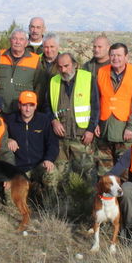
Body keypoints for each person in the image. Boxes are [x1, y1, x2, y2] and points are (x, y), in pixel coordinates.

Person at [47, 53, 100, 184]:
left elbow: (95, 107)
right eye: (60, 67)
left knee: (87, 174)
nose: (63, 70)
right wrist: (53, 121)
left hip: (82, 137)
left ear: (75, 65)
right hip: (60, 138)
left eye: (66, 66)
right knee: (60, 176)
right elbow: (47, 106)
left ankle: (88, 197)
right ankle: (62, 198)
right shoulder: (53, 81)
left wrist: (90, 130)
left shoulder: (88, 78)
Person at [94, 43, 132, 175]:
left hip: (124, 131)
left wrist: (131, 127)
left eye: (119, 55)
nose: (115, 58)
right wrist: (95, 123)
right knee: (104, 172)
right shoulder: (101, 72)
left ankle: (122, 189)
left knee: (123, 171)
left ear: (126, 57)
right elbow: (95, 100)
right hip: (104, 129)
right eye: (112, 55)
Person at [3, 91, 60, 196]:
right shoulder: (10, 120)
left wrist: (49, 159)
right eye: (24, 105)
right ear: (19, 105)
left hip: (39, 165)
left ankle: (50, 203)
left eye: (31, 105)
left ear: (36, 106)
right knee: (9, 193)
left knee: (51, 173)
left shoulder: (44, 120)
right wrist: (8, 140)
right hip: (19, 168)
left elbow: (53, 143)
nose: (28, 109)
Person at [0, 28, 40, 114]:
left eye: (21, 39)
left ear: (26, 43)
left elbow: (38, 87)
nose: (17, 42)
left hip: (23, 111)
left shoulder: (35, 59)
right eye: (14, 38)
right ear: (10, 40)